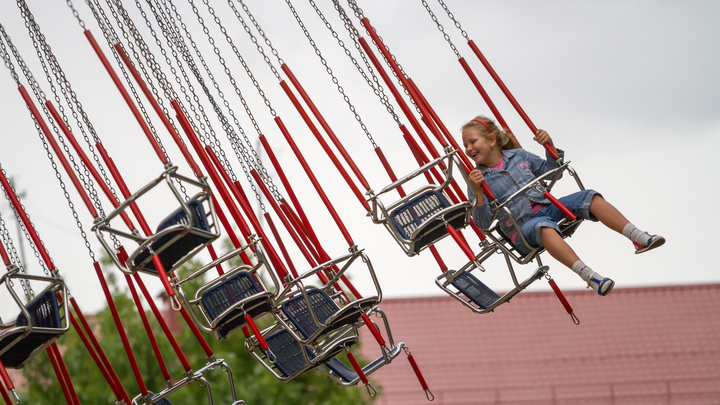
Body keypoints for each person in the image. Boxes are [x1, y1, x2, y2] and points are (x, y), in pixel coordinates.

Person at [462, 115, 664, 296]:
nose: (469, 148)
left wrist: (549, 146)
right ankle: (589, 276)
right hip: (522, 228)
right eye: (465, 145)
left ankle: (636, 236)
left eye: (473, 142)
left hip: (548, 207)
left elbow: (552, 171)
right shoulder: (478, 180)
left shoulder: (519, 155)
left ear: (491, 140)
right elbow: (483, 223)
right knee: (545, 228)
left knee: (590, 197)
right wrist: (478, 191)